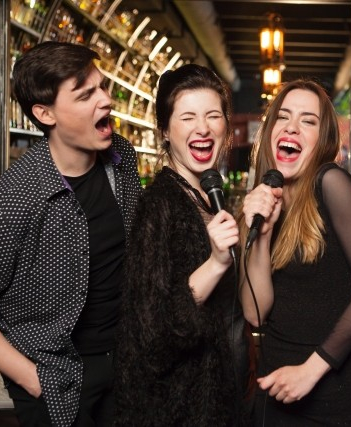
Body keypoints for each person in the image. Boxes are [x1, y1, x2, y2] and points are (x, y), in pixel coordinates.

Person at [0, 41, 142, 426]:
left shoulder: (122, 159)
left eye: (103, 87)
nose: (105, 101)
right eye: (85, 95)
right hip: (58, 380)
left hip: (129, 364)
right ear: (44, 113)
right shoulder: (12, 200)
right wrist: (32, 379)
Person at [240, 79, 351, 426]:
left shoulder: (331, 183)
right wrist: (262, 235)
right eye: (284, 117)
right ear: (270, 130)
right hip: (277, 393)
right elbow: (255, 313)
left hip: (340, 401)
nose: (292, 127)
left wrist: (311, 370)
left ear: (323, 140)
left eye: (308, 121)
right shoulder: (266, 200)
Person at [114, 64, 252, 426]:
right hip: (178, 408)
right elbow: (153, 334)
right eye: (188, 117)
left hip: (217, 399)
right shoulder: (159, 205)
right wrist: (216, 263)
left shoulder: (206, 197)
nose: (202, 128)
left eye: (213, 115)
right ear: (164, 130)